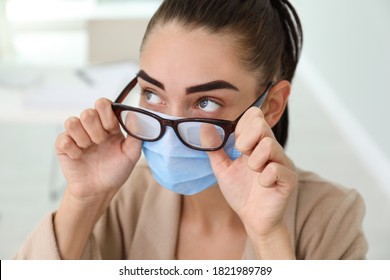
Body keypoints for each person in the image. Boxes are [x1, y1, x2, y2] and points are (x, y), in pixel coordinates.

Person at [15, 0, 367, 260]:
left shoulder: (330, 218)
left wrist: (269, 237)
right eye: (153, 94)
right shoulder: (121, 199)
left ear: (271, 106)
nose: (169, 133)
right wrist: (83, 201)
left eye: (206, 102)